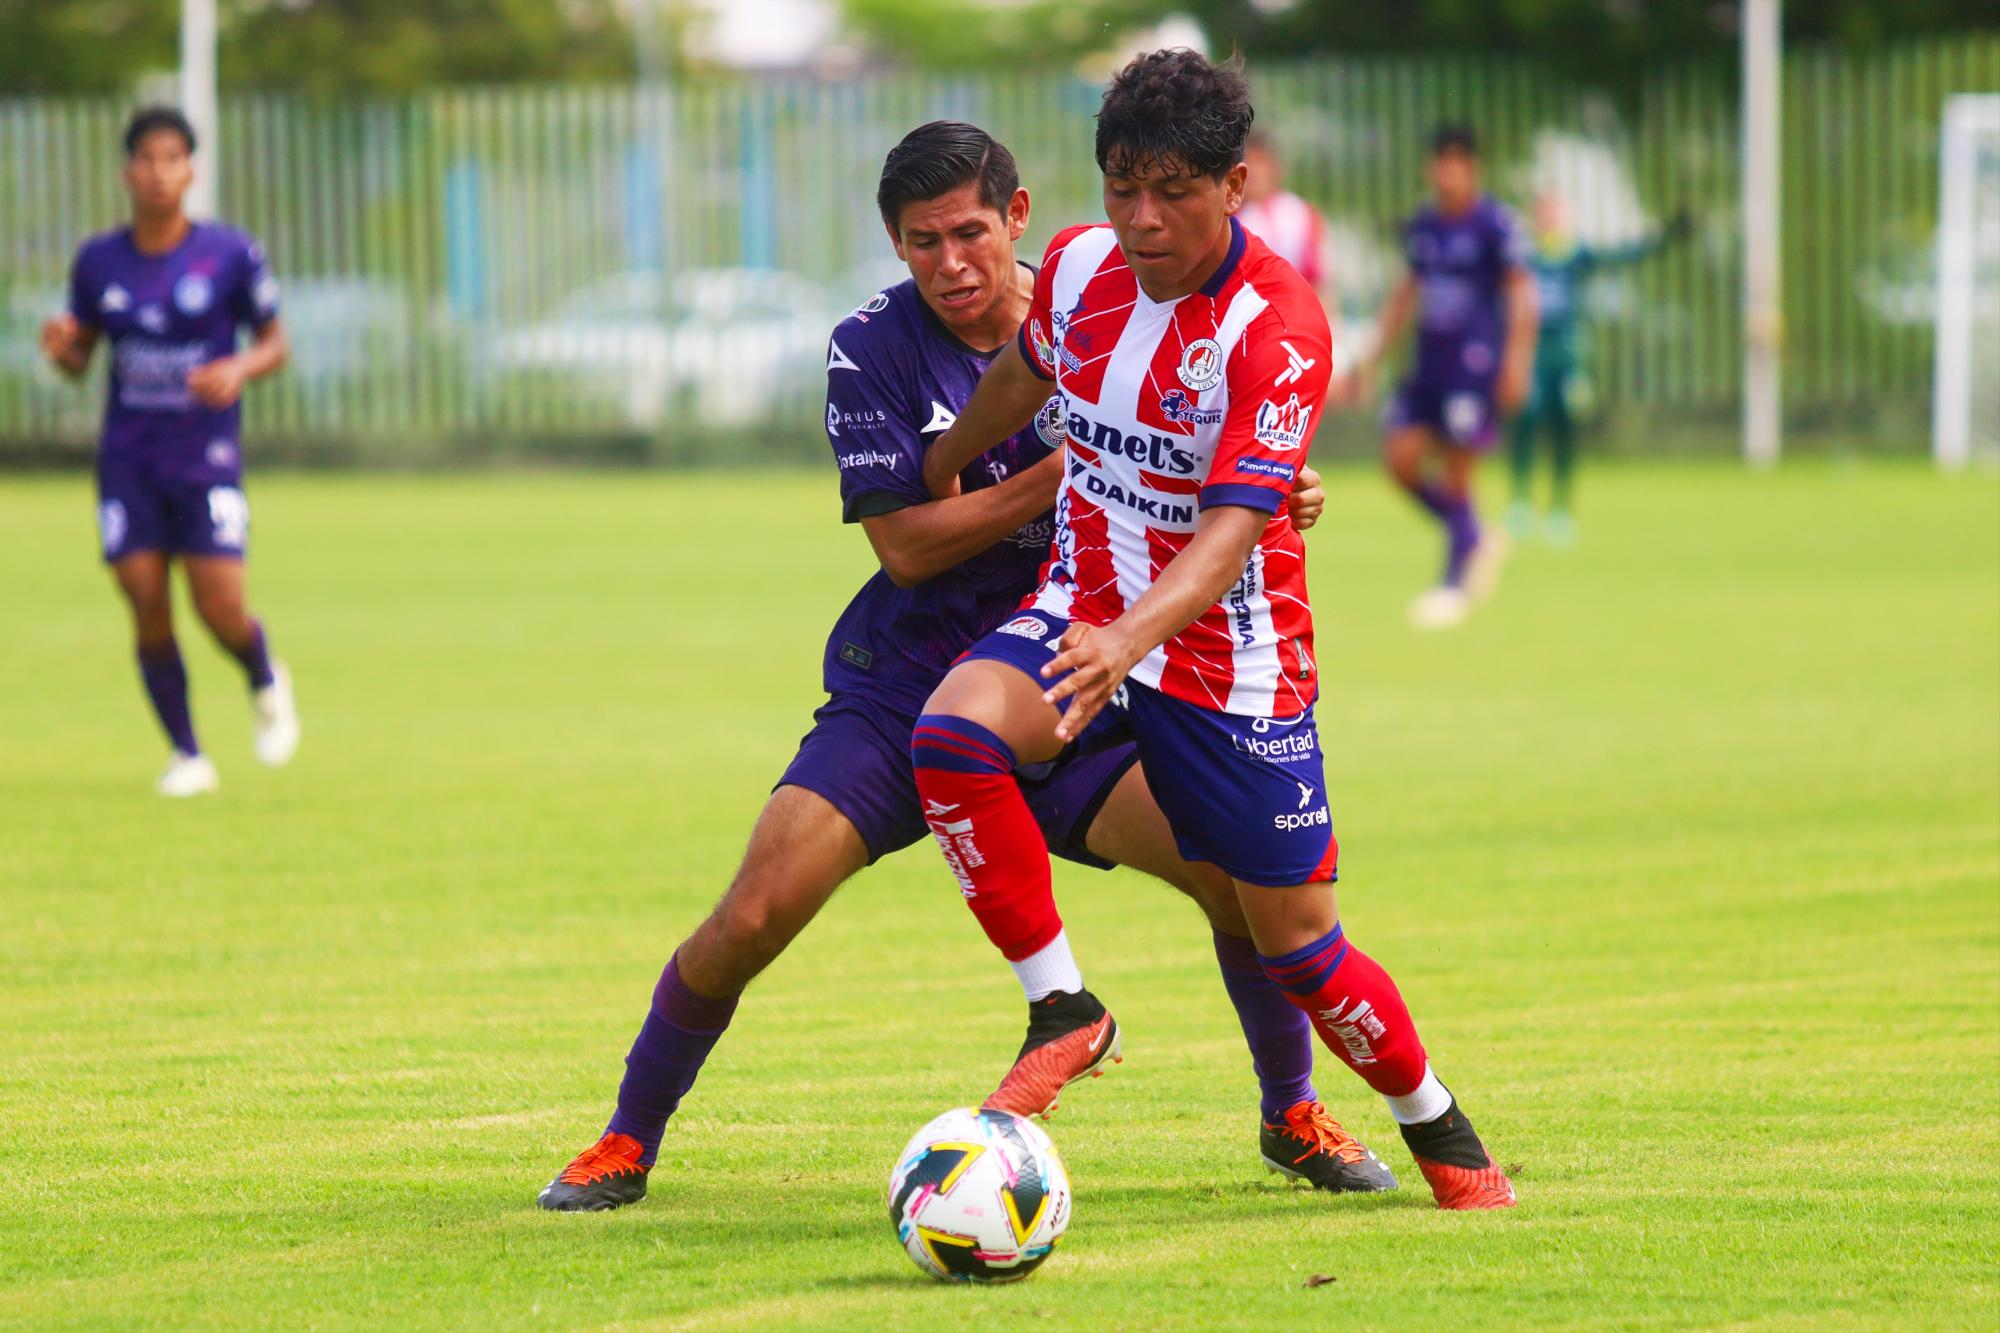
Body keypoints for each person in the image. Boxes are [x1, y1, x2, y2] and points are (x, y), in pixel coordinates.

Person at [536, 121, 1396, 1213]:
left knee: (1236, 883)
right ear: (896, 247)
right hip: (911, 679)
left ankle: (1292, 1115)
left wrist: (1275, 487)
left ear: (1019, 216)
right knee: (754, 910)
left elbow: (1217, 458)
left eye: (969, 233)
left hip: (1081, 675)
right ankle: (625, 1138)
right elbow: (905, 542)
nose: (949, 263)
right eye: (920, 242)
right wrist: (1075, 462)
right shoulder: (869, 348)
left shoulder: (1107, 297)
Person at [911, 53, 1515, 1209]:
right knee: (949, 738)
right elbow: (1021, 375)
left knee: (1293, 941)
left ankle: (1438, 1129)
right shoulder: (1083, 266)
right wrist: (939, 467)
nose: (1140, 219)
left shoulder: (1275, 325)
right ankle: (1065, 1010)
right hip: (1083, 613)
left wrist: (1131, 639)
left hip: (1227, 661)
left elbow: (1237, 527)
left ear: (1234, 184)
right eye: (1122, 185)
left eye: (1173, 190)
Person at [40, 106, 298, 795]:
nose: (159, 173)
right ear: (127, 171)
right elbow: (81, 356)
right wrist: (64, 350)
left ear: (191, 170)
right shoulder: (99, 261)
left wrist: (239, 368)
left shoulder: (229, 254)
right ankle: (188, 753)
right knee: (144, 595)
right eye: (147, 160)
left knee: (218, 605)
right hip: (128, 456)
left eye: (173, 159)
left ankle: (262, 673)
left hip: (203, 455)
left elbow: (276, 344)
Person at [1360, 124, 1538, 630]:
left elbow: (1522, 294)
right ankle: (1473, 536)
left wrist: (1516, 361)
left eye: (1457, 162)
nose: (1447, 172)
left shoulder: (1495, 224)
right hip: (1429, 363)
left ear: (1472, 169)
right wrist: (1373, 357)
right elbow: (1405, 295)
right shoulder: (1426, 225)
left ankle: (1455, 582)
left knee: (1459, 473)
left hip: (1474, 366)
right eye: (1440, 161)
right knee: (1400, 461)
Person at [1508, 190, 1691, 545]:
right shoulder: (1522, 256)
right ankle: (1521, 504)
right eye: (1543, 213)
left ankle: (1560, 509)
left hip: (1566, 354)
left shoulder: (1576, 254)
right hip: (1530, 352)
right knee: (1525, 423)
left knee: (1564, 429)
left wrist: (1664, 238)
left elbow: (1624, 255)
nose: (1548, 219)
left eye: (1554, 212)